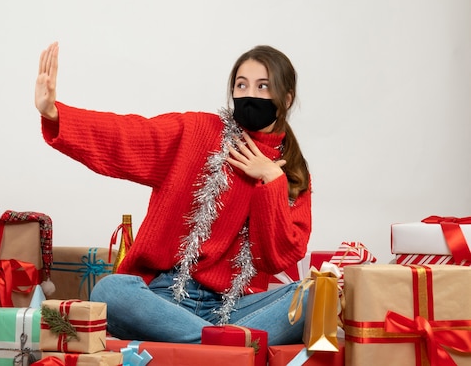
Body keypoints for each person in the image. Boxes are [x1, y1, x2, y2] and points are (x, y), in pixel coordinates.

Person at [34, 42, 312, 345]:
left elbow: (278, 257)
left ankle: (211, 346)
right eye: (242, 85)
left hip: (232, 308)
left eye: (263, 87)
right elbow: (129, 135)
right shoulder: (198, 132)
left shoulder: (293, 174)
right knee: (110, 291)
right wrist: (55, 113)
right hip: (166, 300)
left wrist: (272, 181)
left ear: (286, 98)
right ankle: (225, 348)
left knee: (314, 296)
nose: (250, 95)